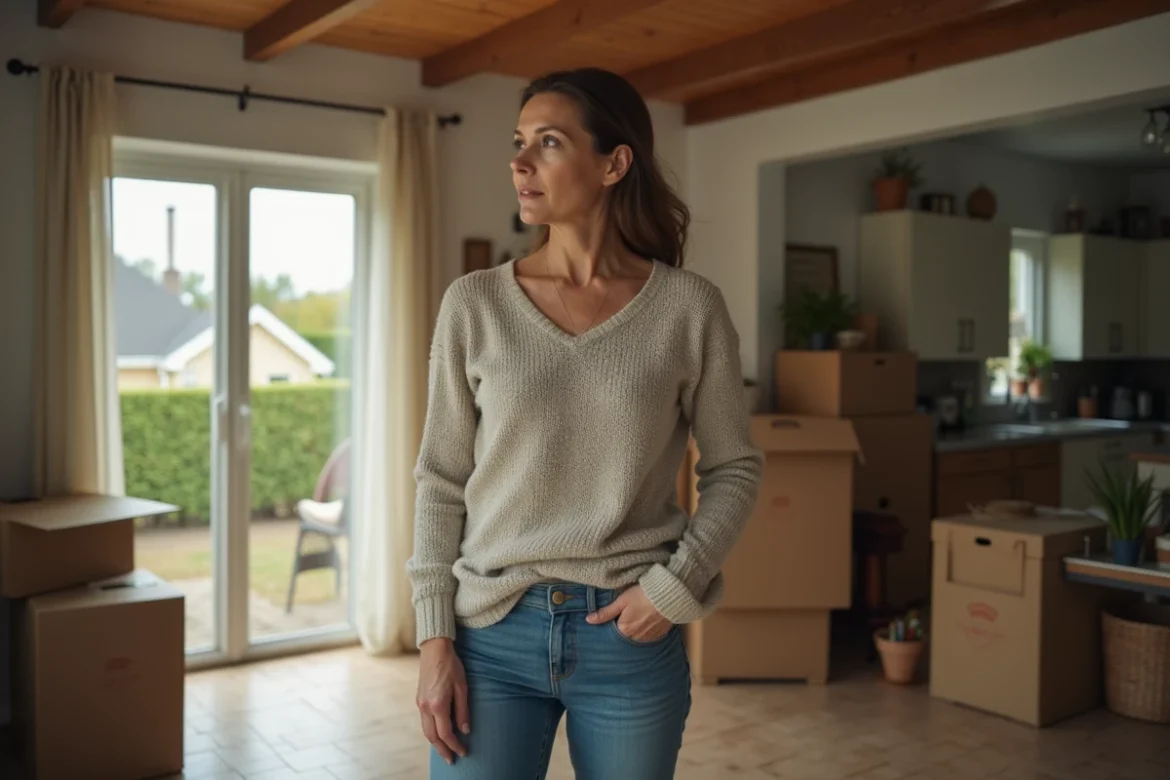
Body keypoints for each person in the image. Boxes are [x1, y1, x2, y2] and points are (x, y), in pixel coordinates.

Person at [407, 67, 764, 780]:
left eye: (548, 142)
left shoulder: (688, 309)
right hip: (490, 635)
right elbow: (442, 479)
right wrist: (433, 639)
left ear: (613, 162)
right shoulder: (473, 304)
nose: (520, 162)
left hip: (627, 639)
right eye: (518, 142)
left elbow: (734, 467)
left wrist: (673, 587)